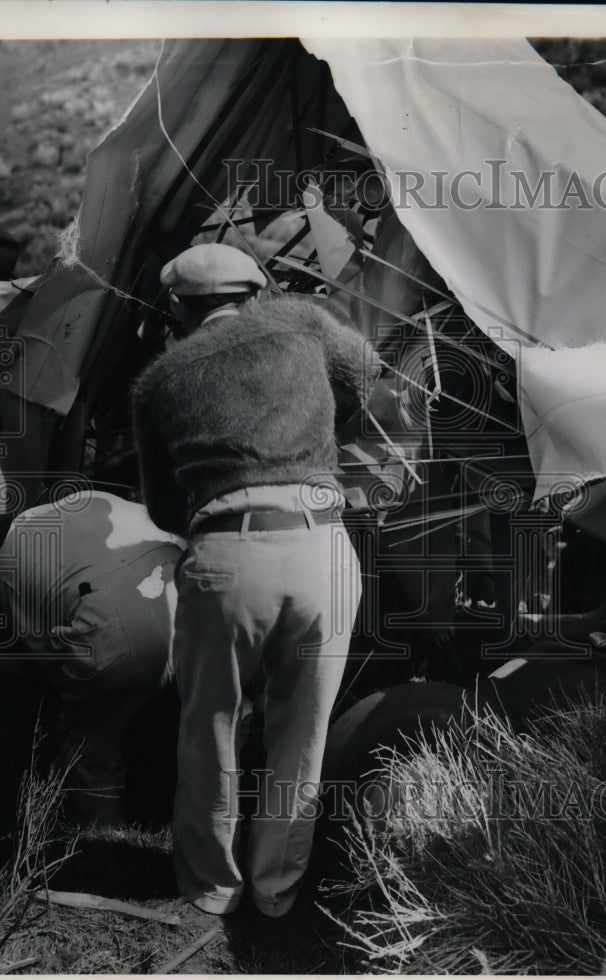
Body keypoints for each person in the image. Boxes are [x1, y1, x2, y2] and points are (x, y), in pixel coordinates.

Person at [132, 243, 375, 917]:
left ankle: (211, 888)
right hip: (321, 544)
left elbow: (161, 509)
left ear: (176, 308)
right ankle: (276, 892)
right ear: (257, 290)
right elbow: (364, 373)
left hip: (227, 553)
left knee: (208, 722)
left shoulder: (157, 382)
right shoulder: (302, 323)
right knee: (304, 728)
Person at [0, 490, 184, 823]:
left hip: (110, 625)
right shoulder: (100, 499)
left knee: (88, 749)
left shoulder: (4, 560)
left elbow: (49, 656)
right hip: (180, 592)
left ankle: (109, 847)